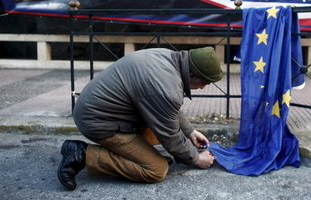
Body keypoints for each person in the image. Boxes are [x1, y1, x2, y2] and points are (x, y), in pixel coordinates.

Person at [57, 46, 223, 190]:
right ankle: (82, 154)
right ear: (192, 74)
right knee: (156, 170)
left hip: (99, 111)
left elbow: (166, 107)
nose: (202, 88)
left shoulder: (168, 58)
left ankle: (142, 154)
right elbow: (171, 135)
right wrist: (196, 158)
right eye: (204, 83)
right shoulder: (166, 86)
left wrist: (190, 131)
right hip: (99, 123)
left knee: (162, 127)